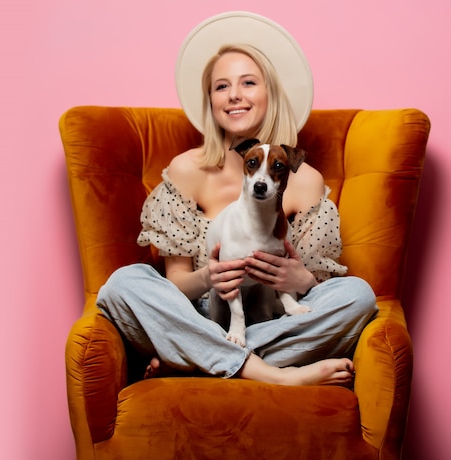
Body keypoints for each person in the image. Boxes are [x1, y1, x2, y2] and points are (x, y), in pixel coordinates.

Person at [96, 12, 378, 387]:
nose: (234, 95)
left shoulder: (304, 180)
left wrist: (301, 277)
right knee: (122, 284)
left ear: (269, 93)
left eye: (248, 82)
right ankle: (268, 373)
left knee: (357, 295)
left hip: (270, 317)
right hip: (199, 315)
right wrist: (207, 277)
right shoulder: (185, 170)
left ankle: (195, 359)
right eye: (221, 87)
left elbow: (310, 292)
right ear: (210, 101)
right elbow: (176, 284)